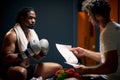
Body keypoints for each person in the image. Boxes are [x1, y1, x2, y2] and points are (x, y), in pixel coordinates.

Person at [0, 7, 62, 80]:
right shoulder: (12, 35)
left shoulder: (32, 34)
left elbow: (36, 57)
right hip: (12, 69)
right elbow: (5, 57)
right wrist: (26, 53)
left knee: (58, 67)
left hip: (28, 68)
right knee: (22, 72)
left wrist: (42, 53)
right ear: (22, 18)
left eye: (34, 18)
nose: (33, 21)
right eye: (30, 18)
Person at [70, 0, 120, 80]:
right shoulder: (116, 27)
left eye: (90, 16)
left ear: (98, 16)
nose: (89, 20)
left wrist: (85, 70)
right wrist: (84, 52)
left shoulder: (107, 33)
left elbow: (110, 67)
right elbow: (108, 58)